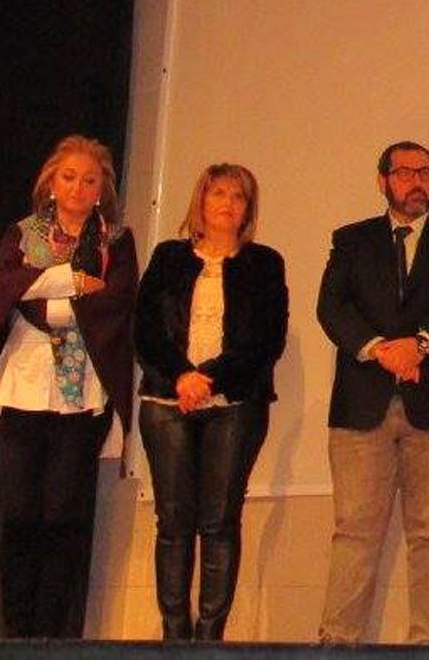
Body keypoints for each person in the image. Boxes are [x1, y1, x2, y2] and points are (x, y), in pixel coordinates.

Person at [316, 141, 429, 645]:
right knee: (354, 533)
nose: (418, 181)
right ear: (383, 181)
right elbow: (332, 309)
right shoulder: (351, 241)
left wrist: (419, 345)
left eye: (426, 172)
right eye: (405, 172)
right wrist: (379, 349)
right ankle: (337, 644)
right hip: (361, 407)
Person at [0, 133, 138, 639]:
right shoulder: (22, 233)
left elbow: (112, 304)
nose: (77, 187)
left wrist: (40, 283)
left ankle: (52, 635)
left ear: (101, 191)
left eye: (89, 180)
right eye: (68, 177)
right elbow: (6, 290)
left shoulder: (115, 241)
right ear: (51, 182)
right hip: (22, 385)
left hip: (81, 394)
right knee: (20, 513)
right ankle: (16, 632)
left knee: (62, 516)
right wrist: (69, 282)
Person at [134, 163, 288, 640]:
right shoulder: (168, 258)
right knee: (173, 522)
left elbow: (266, 339)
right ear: (200, 202)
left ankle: (209, 639)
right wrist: (182, 376)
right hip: (166, 401)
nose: (227, 203)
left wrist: (209, 378)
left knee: (220, 521)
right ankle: (174, 636)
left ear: (249, 209)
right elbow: (146, 329)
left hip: (235, 405)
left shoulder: (265, 263)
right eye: (217, 193)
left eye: (238, 196)